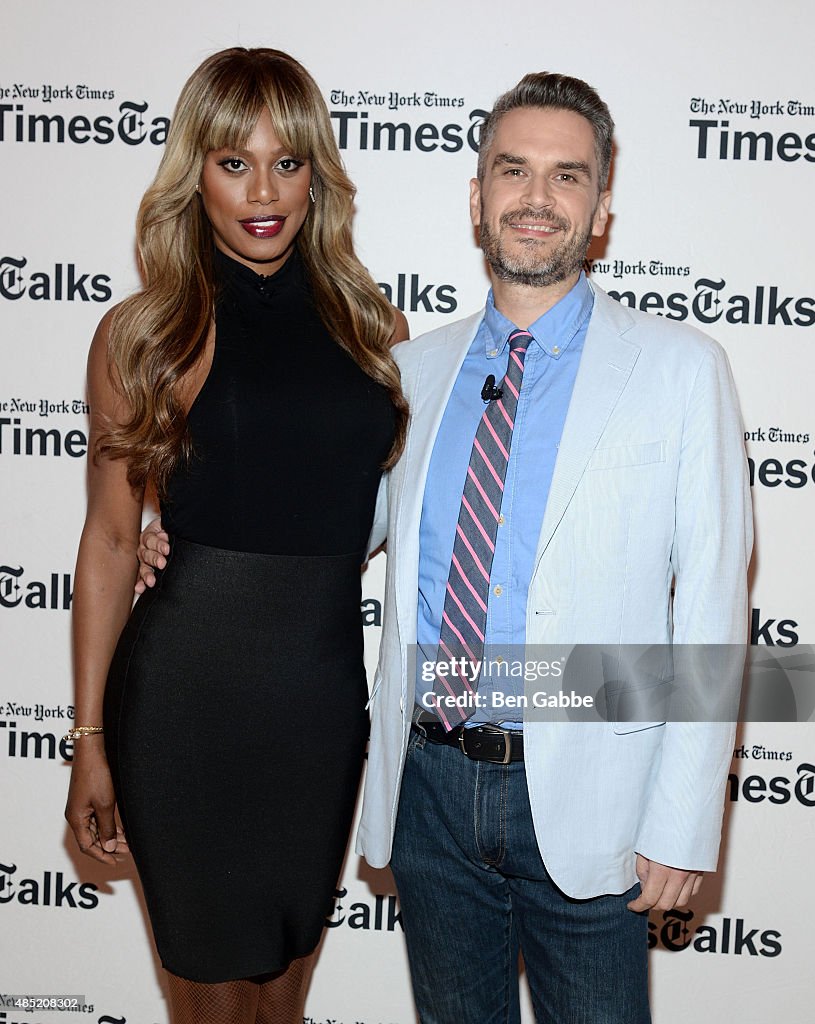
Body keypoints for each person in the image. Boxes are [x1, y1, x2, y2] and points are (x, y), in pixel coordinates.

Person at [139, 73, 752, 1024]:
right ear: (476, 199)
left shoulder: (677, 370)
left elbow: (714, 602)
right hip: (428, 795)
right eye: (512, 170)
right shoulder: (408, 371)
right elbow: (322, 514)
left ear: (600, 212)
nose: (536, 198)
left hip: (592, 804)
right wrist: (174, 524)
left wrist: (684, 818)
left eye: (567, 177)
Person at [65, 47, 408, 1024]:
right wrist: (89, 743)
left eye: (287, 162)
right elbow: (107, 544)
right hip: (186, 706)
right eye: (232, 161)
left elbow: (384, 509)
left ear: (317, 174)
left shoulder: (373, 330)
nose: (263, 191)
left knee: (285, 1004)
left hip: (320, 711)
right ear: (194, 171)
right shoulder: (146, 337)